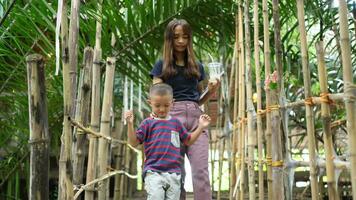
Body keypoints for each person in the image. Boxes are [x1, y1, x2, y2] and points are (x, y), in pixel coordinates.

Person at [150, 19, 220, 200]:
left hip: (197, 119)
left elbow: (198, 99)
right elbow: (157, 96)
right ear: (169, 39)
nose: (181, 41)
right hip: (172, 119)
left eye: (185, 37)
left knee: (201, 171)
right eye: (176, 37)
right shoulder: (161, 66)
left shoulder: (197, 66)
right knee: (176, 174)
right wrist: (157, 116)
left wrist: (211, 91)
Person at [125, 83, 211, 200]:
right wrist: (130, 124)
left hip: (174, 174)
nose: (161, 109)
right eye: (157, 105)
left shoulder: (176, 123)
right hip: (153, 172)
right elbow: (133, 142)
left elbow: (188, 141)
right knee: (156, 196)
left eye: (166, 105)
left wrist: (200, 127)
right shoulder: (147, 123)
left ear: (172, 103)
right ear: (150, 103)